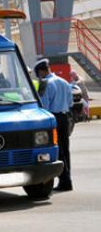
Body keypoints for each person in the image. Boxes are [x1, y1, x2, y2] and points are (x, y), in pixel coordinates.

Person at [34, 59, 73, 192]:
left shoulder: (46, 83)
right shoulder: (64, 81)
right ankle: (68, 179)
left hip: (54, 118)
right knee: (66, 150)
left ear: (41, 71)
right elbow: (70, 102)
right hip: (64, 117)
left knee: (58, 150)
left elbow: (44, 106)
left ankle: (65, 181)